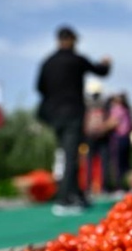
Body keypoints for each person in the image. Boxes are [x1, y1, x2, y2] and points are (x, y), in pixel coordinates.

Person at [36, 26, 111, 215]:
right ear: (71, 40)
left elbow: (39, 87)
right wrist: (107, 64)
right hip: (72, 114)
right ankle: (64, 200)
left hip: (54, 116)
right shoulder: (76, 60)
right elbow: (100, 71)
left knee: (65, 153)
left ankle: (76, 195)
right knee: (71, 156)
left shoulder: (48, 62)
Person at [83, 81, 111, 194]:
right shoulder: (89, 105)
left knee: (103, 161)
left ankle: (102, 186)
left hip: (101, 136)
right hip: (91, 136)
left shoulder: (103, 105)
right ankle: (89, 186)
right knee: (89, 161)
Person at [106, 92, 132, 193]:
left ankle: (119, 186)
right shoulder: (127, 110)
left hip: (118, 139)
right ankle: (126, 185)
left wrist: (101, 128)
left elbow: (113, 123)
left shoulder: (117, 109)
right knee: (126, 164)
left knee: (118, 164)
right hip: (127, 139)